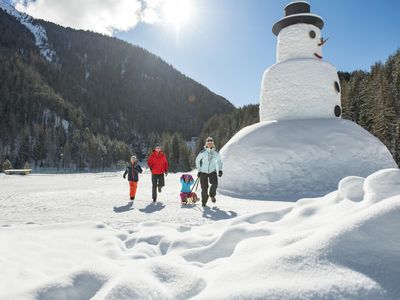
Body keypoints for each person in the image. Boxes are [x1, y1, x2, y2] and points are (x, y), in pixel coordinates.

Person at [195, 137, 223, 207]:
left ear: (213, 144)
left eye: (211, 143)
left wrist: (220, 170)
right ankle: (204, 201)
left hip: (212, 171)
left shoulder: (215, 153)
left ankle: (212, 195)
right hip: (203, 172)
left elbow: (219, 161)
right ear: (206, 144)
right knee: (204, 188)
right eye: (208, 143)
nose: (210, 144)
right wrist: (199, 170)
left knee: (215, 184)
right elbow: (197, 161)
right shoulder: (203, 152)